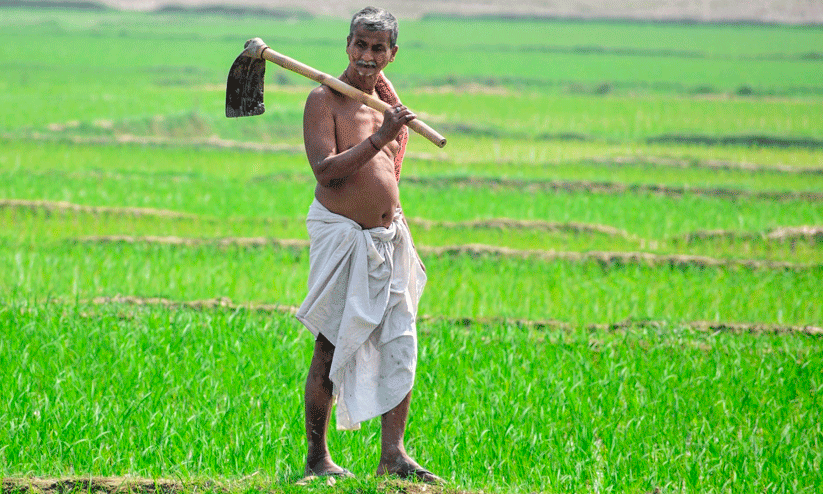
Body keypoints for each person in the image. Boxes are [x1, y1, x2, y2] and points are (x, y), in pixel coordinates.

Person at [294, 6, 442, 485]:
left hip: (388, 238)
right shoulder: (324, 101)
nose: (367, 54)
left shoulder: (386, 105)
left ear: (391, 54)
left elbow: (387, 174)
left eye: (378, 47)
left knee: (401, 340)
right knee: (330, 344)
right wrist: (382, 136)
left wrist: (388, 129)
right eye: (360, 44)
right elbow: (327, 170)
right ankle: (318, 459)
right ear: (347, 45)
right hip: (343, 237)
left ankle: (393, 456)